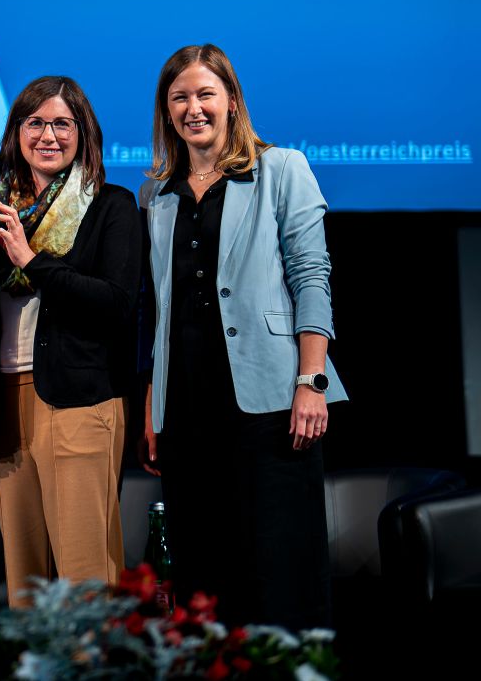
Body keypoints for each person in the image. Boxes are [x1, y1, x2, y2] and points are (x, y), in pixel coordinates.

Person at [142, 44, 346, 629]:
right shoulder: (156, 194)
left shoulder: (282, 168)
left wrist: (311, 380)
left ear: (231, 100)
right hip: (185, 408)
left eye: (205, 93)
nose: (193, 107)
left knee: (281, 573)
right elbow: (158, 309)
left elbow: (312, 278)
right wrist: (152, 403)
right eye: (179, 97)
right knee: (203, 578)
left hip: (270, 403)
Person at [0, 76, 138, 606]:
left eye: (62, 123)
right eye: (35, 122)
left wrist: (31, 261)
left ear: (83, 133)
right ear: (16, 132)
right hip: (4, 402)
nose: (48, 135)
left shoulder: (111, 206)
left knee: (84, 579)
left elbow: (115, 303)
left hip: (78, 399)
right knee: (24, 582)